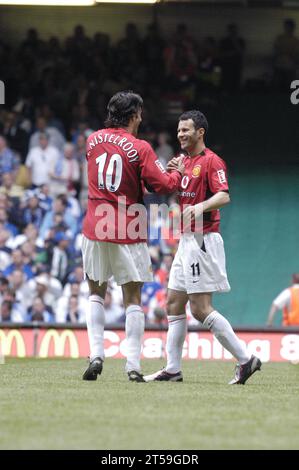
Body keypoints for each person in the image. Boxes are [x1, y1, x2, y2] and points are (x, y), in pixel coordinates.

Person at [144, 110, 262, 385]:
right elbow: (174, 190)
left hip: (202, 240)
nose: (180, 135)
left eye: (186, 130)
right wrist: (173, 175)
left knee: (199, 308)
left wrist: (200, 207)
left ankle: (246, 360)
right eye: (178, 130)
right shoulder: (184, 161)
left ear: (200, 133)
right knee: (173, 302)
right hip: (186, 241)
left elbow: (224, 195)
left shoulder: (212, 161)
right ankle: (172, 368)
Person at [81, 90, 185, 382]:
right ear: (132, 115)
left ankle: (97, 355)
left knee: (95, 293)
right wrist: (176, 172)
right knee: (133, 299)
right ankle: (133, 365)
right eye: (139, 113)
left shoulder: (92, 140)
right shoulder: (140, 148)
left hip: (93, 224)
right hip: (127, 225)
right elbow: (162, 185)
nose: (142, 117)